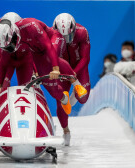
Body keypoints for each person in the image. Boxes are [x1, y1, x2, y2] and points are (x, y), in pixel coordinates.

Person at [0, 17, 87, 120]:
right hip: (37, 53)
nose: (11, 48)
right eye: (7, 48)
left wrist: (55, 68)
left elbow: (48, 47)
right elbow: (3, 64)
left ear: (14, 34)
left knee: (50, 59)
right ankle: (64, 98)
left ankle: (76, 83)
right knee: (51, 87)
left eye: (11, 45)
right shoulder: (9, 41)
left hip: (52, 40)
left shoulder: (31, 26)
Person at [52, 13, 91, 145]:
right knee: (61, 101)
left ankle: (75, 91)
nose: (66, 40)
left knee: (83, 97)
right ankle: (66, 131)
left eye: (69, 36)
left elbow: (85, 58)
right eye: (62, 37)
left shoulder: (82, 32)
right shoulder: (50, 33)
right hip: (62, 68)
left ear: (74, 29)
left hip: (78, 67)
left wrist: (73, 73)